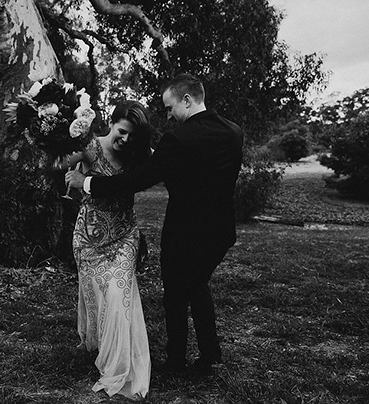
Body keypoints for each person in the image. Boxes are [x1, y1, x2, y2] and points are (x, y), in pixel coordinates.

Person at [65, 73, 244, 374]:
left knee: (176, 294)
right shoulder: (234, 132)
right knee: (198, 285)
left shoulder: (179, 139)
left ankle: (176, 361)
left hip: (184, 232)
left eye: (170, 107)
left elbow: (136, 181)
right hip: (220, 232)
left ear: (187, 99)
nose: (169, 115)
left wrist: (87, 183)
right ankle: (210, 354)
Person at [60, 100, 153, 399]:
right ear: (111, 123)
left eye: (132, 136)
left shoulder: (140, 155)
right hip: (88, 238)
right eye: (122, 131)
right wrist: (53, 135)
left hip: (124, 235)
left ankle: (119, 366)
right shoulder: (90, 146)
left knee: (118, 295)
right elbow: (56, 163)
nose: (125, 139)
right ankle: (101, 345)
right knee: (97, 296)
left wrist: (85, 181)